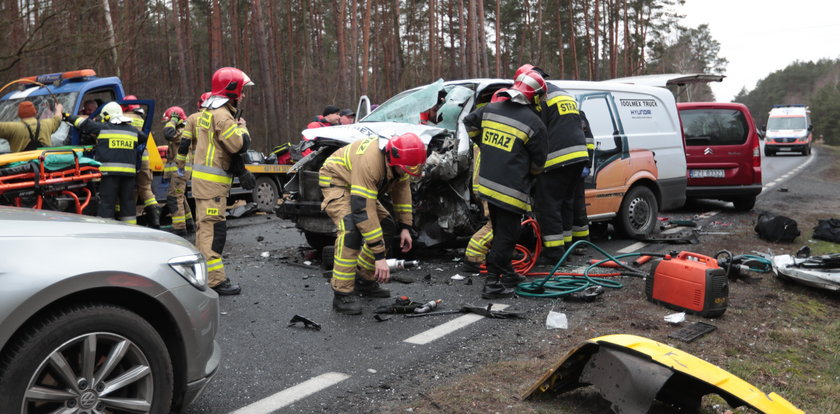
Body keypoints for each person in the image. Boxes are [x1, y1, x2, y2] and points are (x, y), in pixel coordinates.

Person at [319, 132, 426, 314]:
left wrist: (405, 227)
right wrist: (380, 257)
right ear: (394, 160)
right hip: (337, 182)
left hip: (359, 185)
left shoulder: (401, 162)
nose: (408, 172)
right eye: (406, 168)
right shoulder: (371, 162)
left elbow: (402, 192)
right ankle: (342, 293)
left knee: (386, 226)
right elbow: (362, 210)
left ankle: (364, 279)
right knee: (351, 230)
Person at [463, 70, 548, 299]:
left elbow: (468, 122)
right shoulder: (534, 123)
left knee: (500, 230)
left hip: (487, 185)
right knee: (507, 236)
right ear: (535, 96)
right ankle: (492, 283)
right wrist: (524, 170)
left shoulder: (490, 109)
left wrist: (484, 143)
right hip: (511, 191)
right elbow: (539, 164)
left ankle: (508, 273)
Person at [515, 64, 589, 266]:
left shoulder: (540, 96)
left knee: (549, 206)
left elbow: (536, 130)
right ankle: (565, 248)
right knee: (565, 203)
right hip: (578, 157)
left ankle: (554, 254)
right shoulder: (563, 93)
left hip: (556, 159)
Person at [192, 67, 256, 296]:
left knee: (204, 230)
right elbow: (238, 145)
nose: (244, 95)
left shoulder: (211, 109)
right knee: (213, 231)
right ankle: (216, 281)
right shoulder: (222, 115)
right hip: (212, 186)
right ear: (232, 90)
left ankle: (202, 276)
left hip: (204, 184)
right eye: (242, 90)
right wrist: (243, 126)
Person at [65, 102, 145, 223]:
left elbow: (83, 124)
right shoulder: (133, 131)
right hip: (129, 175)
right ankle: (131, 228)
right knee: (128, 203)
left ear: (107, 116)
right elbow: (143, 137)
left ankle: (107, 228)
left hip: (109, 175)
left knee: (107, 203)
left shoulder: (103, 128)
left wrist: (67, 116)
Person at [462, 88, 511, 273]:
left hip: (483, 185)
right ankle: (473, 256)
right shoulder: (497, 128)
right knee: (495, 224)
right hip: (489, 186)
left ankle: (502, 253)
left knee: (501, 225)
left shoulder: (485, 124)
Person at [122, 95, 161, 228]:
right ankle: (155, 220)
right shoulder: (140, 119)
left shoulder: (123, 118)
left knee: (129, 190)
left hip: (129, 158)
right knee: (146, 189)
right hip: (144, 158)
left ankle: (128, 221)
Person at [561, 110, 595, 255]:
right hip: (567, 167)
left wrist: (587, 164)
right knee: (568, 205)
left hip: (576, 166)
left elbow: (589, 142)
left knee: (577, 205)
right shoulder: (571, 115)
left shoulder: (578, 115)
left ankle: (581, 242)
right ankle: (569, 242)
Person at [162, 106, 191, 235]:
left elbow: (168, 133)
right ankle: (189, 224)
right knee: (181, 197)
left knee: (174, 198)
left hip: (181, 170)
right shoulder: (181, 129)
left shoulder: (183, 130)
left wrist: (172, 120)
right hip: (179, 170)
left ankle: (180, 229)